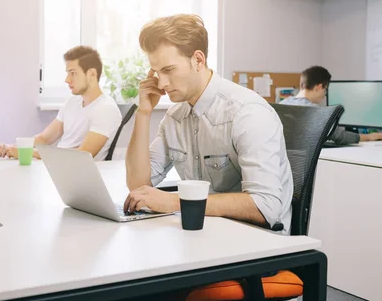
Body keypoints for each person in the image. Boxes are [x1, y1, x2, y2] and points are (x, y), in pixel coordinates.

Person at [123, 14, 293, 234]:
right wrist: (143, 113)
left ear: (198, 60)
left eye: (168, 70)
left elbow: (266, 206)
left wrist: (176, 202)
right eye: (156, 72)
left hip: (255, 242)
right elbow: (138, 186)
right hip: (204, 235)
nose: (162, 83)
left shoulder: (247, 113)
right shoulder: (175, 117)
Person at [0, 46, 122, 161]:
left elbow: (83, 155)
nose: (67, 79)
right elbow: (44, 139)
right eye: (67, 73)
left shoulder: (106, 109)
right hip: (57, 167)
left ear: (92, 74)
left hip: (76, 175)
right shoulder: (72, 102)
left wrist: (26, 153)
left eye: (73, 73)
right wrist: (9, 148)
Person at [281, 65, 382, 144]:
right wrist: (369, 137)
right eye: (325, 90)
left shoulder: (281, 104)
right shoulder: (315, 111)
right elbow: (339, 136)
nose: (324, 96)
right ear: (319, 87)